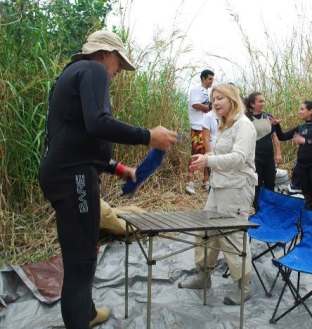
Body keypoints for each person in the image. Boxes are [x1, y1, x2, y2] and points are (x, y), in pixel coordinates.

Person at [38, 30, 178, 329]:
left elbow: (79, 137)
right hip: (72, 176)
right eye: (119, 64)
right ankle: (80, 320)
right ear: (105, 54)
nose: (118, 72)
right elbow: (99, 123)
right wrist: (149, 136)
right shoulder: (93, 69)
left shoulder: (73, 73)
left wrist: (118, 169)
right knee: (82, 260)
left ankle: (85, 313)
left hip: (66, 171)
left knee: (82, 249)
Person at [178, 83, 257, 305]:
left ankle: (244, 286)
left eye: (220, 98)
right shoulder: (224, 125)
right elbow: (219, 155)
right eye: (213, 99)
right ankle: (204, 276)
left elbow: (239, 158)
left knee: (232, 235)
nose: (215, 103)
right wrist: (202, 161)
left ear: (232, 98)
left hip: (237, 188)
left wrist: (208, 160)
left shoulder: (244, 126)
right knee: (206, 230)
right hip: (219, 185)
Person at [269, 101, 312, 213]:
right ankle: (311, 221)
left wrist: (305, 141)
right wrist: (276, 125)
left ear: (310, 111)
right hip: (302, 166)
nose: (299, 112)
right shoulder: (301, 127)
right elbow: (282, 137)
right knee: (308, 197)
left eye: (302, 109)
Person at [244, 92, 283, 210]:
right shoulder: (246, 119)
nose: (263, 104)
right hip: (255, 157)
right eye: (260, 101)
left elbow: (275, 137)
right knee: (257, 183)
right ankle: (258, 208)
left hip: (269, 156)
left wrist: (278, 153)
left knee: (270, 182)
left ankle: (269, 209)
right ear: (252, 104)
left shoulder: (269, 117)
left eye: (263, 101)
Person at [185, 69, 215, 195]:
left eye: (212, 79)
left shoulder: (208, 92)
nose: (211, 82)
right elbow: (195, 105)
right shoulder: (196, 89)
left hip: (207, 127)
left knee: (209, 153)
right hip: (197, 126)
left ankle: (206, 180)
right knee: (196, 153)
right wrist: (210, 107)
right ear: (203, 78)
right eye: (209, 79)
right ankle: (190, 181)